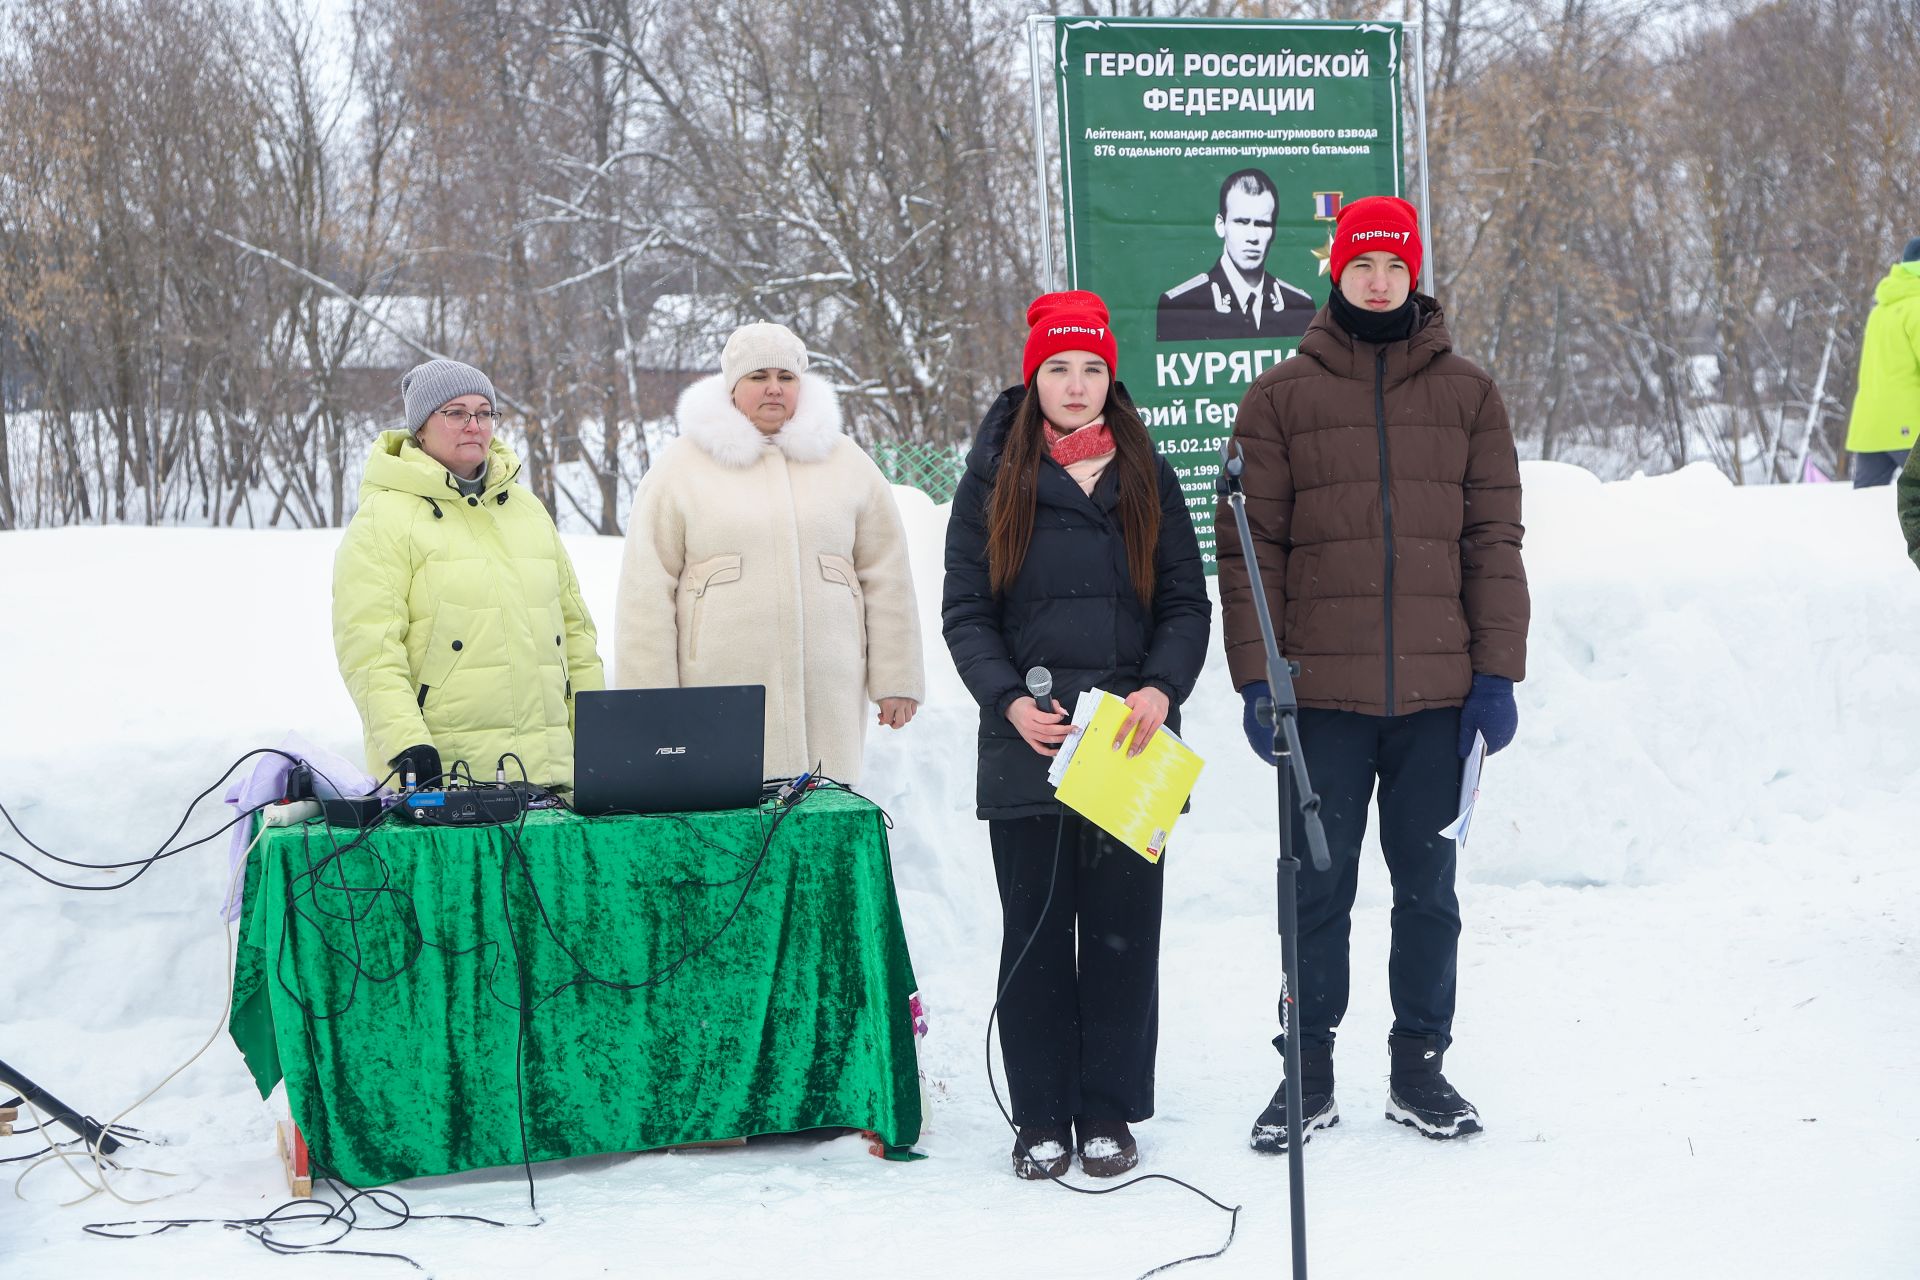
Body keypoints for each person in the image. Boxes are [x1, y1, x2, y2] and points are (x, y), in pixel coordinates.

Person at [1216, 195, 1529, 1152]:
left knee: (1428, 890)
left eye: (1395, 265)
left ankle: (1418, 1067)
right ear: (1338, 273)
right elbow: (1247, 547)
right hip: (1322, 701)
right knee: (1316, 889)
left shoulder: (1470, 395)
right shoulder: (1281, 396)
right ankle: (1305, 1069)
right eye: (1363, 265)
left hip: (1440, 699)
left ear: (1415, 274)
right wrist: (1257, 680)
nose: (1380, 280)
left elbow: (1494, 539)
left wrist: (1497, 674)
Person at [943, 291, 1209, 1181]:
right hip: (1032, 743)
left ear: (1110, 379)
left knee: (1125, 934)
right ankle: (1041, 1117)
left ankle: (1107, 1111)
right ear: (1034, 377)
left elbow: (1184, 601)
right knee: (1038, 932)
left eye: (1092, 367)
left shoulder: (1147, 471)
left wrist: (1161, 689)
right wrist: (1010, 702)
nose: (1076, 383)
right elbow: (967, 612)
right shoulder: (992, 476)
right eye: (1059, 367)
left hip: (1128, 747)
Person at [614, 323, 923, 784]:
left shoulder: (848, 464)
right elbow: (646, 589)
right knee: (732, 841)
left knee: (822, 831)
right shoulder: (680, 469)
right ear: (733, 388)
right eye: (758, 376)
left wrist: (897, 679)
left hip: (829, 698)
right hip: (717, 698)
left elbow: (886, 574)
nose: (774, 388)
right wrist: (651, 703)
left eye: (786, 376)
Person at [332, 358, 605, 790]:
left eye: (484, 412)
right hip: (448, 779)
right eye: (455, 413)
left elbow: (575, 636)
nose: (473, 425)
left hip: (555, 778)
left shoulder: (528, 511)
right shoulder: (383, 518)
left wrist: (599, 735)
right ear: (421, 427)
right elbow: (369, 649)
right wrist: (407, 745)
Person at [1157, 169, 1317, 342]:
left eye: (1262, 224)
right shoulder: (1180, 306)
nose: (1252, 237)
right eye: (1241, 222)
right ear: (1220, 225)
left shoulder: (1299, 305)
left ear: (1274, 231)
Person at [1842, 236, 1920, 488]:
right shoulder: (1916, 307)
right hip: (1910, 425)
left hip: (1871, 428)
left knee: (1864, 512)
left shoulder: (1881, 310)